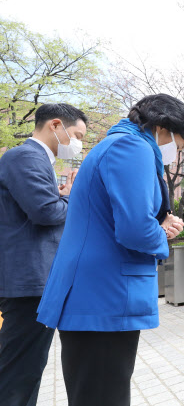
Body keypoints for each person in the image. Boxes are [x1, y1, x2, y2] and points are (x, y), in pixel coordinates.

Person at [36, 94, 184, 406]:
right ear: (163, 128)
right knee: (103, 397)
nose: (177, 154)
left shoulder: (122, 146)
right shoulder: (131, 148)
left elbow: (120, 218)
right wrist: (161, 233)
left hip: (96, 296)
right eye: (179, 146)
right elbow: (135, 229)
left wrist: (157, 223)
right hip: (103, 297)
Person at [0, 103, 87, 406]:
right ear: (55, 125)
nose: (79, 143)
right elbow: (46, 212)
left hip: (33, 281)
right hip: (29, 282)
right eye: (77, 135)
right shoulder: (25, 156)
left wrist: (61, 195)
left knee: (26, 368)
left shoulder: (35, 160)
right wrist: (74, 195)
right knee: (20, 372)